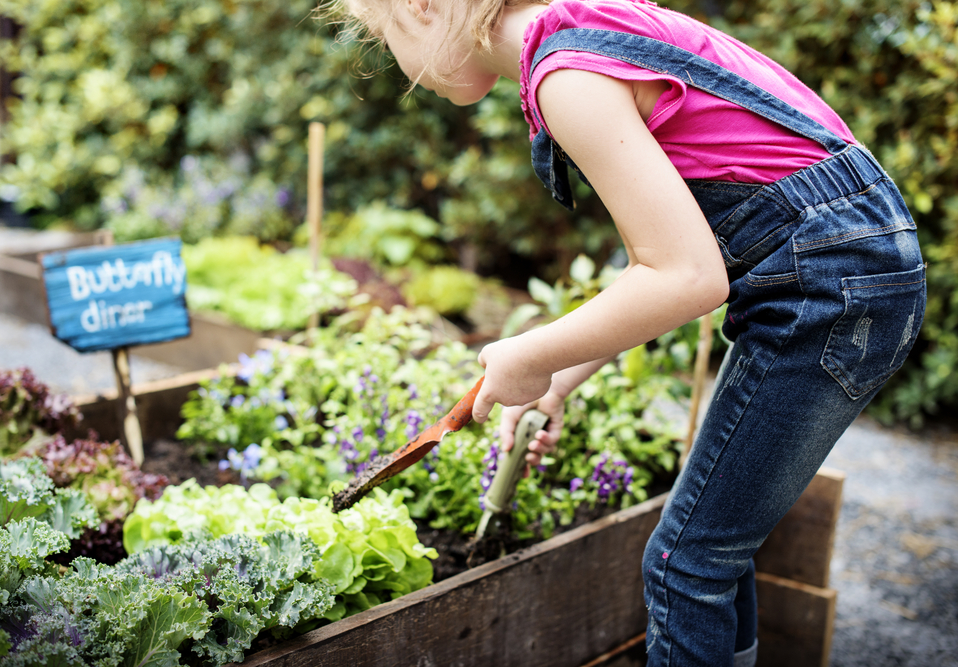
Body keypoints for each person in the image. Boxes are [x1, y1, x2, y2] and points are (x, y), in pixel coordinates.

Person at [328, 0, 926, 664]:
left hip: (828, 285)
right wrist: (555, 378)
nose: (399, 70)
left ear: (421, 6)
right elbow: (661, 269)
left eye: (385, 42)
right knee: (714, 546)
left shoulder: (568, 77)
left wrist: (529, 350)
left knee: (683, 564)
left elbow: (688, 277)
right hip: (852, 267)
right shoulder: (587, 31)